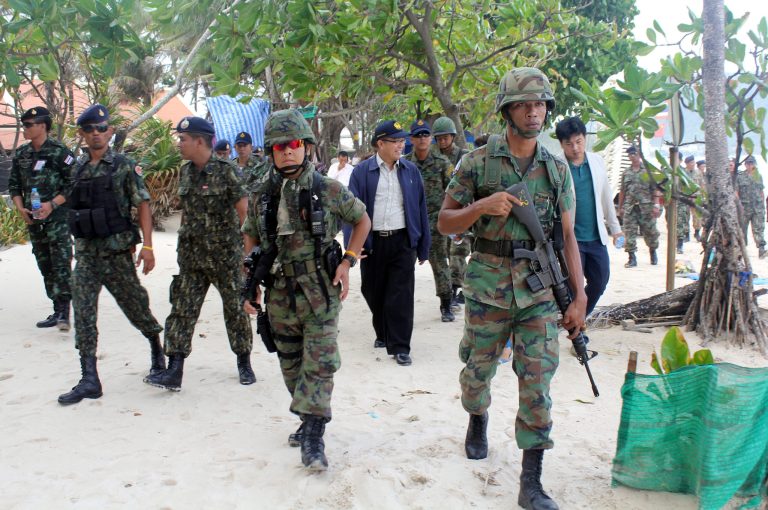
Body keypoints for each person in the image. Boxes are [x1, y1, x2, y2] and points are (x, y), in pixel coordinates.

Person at [438, 67, 586, 510]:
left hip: (539, 292)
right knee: (476, 373)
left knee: (537, 382)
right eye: (524, 104)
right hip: (487, 288)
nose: (534, 111)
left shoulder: (556, 168)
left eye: (540, 103)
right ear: (507, 110)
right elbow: (445, 221)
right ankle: (477, 417)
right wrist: (481, 205)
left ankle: (532, 481)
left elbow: (567, 238)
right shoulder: (477, 162)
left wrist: (578, 297)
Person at [242, 108, 371, 471]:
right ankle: (307, 418)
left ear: (307, 147)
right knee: (290, 362)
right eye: (280, 146)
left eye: (295, 144)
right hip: (279, 292)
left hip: (320, 290)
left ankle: (314, 436)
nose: (287, 151)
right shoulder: (262, 194)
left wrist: (348, 260)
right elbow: (250, 234)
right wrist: (248, 280)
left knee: (320, 363)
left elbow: (361, 219)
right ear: (270, 151)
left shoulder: (326, 188)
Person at [57, 104, 164, 405]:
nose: (96, 134)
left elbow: (142, 203)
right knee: (84, 311)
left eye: (101, 128)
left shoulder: (123, 166)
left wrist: (148, 246)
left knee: (136, 308)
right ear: (82, 134)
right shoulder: (77, 170)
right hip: (87, 256)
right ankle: (89, 377)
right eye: (90, 129)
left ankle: (156, 347)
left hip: (117, 254)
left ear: (110, 132)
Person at [144, 116, 255, 391]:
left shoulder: (227, 171)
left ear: (200, 141)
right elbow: (187, 215)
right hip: (193, 258)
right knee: (182, 311)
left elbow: (246, 216)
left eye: (183, 139)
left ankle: (244, 362)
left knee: (235, 311)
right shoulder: (186, 172)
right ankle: (175, 369)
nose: (179, 144)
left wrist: (247, 257)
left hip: (225, 257)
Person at [349, 120, 430, 367]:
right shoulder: (362, 172)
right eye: (395, 141)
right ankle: (382, 332)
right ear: (380, 143)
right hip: (373, 243)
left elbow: (420, 208)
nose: (401, 145)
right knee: (373, 291)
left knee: (401, 294)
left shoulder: (411, 171)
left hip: (403, 241)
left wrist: (423, 245)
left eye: (402, 140)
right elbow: (350, 212)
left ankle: (401, 346)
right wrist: (354, 246)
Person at [9, 106, 75, 330]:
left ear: (43, 126)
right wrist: (21, 209)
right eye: (24, 124)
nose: (24, 129)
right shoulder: (22, 154)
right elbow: (15, 186)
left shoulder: (59, 152)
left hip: (57, 219)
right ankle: (57, 309)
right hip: (34, 220)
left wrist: (52, 204)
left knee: (61, 263)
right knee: (45, 264)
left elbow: (74, 183)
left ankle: (65, 312)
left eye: (28, 125)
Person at [555, 117, 622, 316]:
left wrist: (616, 229)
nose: (575, 148)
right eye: (569, 144)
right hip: (570, 239)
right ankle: (578, 332)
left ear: (585, 138)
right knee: (572, 288)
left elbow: (606, 198)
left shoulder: (597, 161)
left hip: (596, 237)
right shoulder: (556, 165)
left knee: (600, 281)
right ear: (561, 144)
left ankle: (579, 318)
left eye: (579, 141)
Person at [405, 119, 455, 322]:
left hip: (435, 220)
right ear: (412, 139)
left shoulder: (443, 163)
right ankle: (403, 306)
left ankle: (446, 305)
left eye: (425, 135)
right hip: (411, 221)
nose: (422, 139)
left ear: (431, 138)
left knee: (439, 262)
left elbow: (454, 192)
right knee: (404, 266)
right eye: (418, 135)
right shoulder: (405, 164)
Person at [432, 116, 471, 310]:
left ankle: (455, 289)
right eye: (439, 138)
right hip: (440, 214)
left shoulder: (464, 156)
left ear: (453, 137)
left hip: (460, 213)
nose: (442, 141)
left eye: (445, 137)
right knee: (444, 255)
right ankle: (452, 290)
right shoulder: (432, 158)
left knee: (458, 253)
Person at [618, 146, 662, 268]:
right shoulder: (626, 172)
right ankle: (632, 258)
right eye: (630, 154)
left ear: (640, 155)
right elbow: (622, 191)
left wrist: (656, 205)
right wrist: (620, 207)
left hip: (646, 207)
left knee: (651, 232)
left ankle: (653, 252)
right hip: (630, 207)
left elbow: (655, 189)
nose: (632, 156)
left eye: (635, 154)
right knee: (629, 233)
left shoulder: (648, 171)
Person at [736, 155, 767, 258]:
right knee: (742, 229)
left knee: (759, 228)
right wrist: (738, 205)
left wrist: (763, 205)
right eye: (748, 163)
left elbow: (761, 191)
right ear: (745, 165)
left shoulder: (758, 176)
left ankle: (761, 249)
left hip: (757, 207)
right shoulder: (740, 176)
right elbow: (737, 192)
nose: (750, 165)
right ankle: (742, 250)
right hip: (744, 208)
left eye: (752, 163)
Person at [327, 150, 355, 247]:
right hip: (335, 192)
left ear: (347, 159)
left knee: (345, 214)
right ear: (338, 158)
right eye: (341, 159)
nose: (343, 161)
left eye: (345, 159)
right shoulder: (333, 167)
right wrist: (339, 169)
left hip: (347, 192)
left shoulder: (351, 168)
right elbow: (329, 180)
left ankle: (345, 232)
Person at [691, 159, 708, 242]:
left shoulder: (704, 174)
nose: (704, 168)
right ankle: (696, 232)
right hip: (696, 197)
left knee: (701, 217)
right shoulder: (697, 174)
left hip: (703, 198)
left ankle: (699, 232)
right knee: (696, 216)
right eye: (702, 166)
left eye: (704, 166)